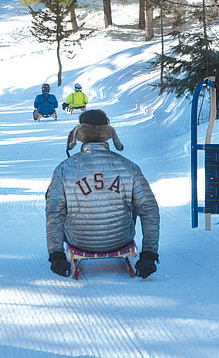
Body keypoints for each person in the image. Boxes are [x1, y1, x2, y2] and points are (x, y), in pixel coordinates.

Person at [46, 109, 160, 279]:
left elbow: (54, 211)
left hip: (78, 241)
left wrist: (56, 255)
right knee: (137, 201)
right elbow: (150, 209)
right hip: (120, 240)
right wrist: (149, 254)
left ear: (79, 134)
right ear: (108, 133)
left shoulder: (64, 169)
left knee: (58, 202)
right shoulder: (129, 167)